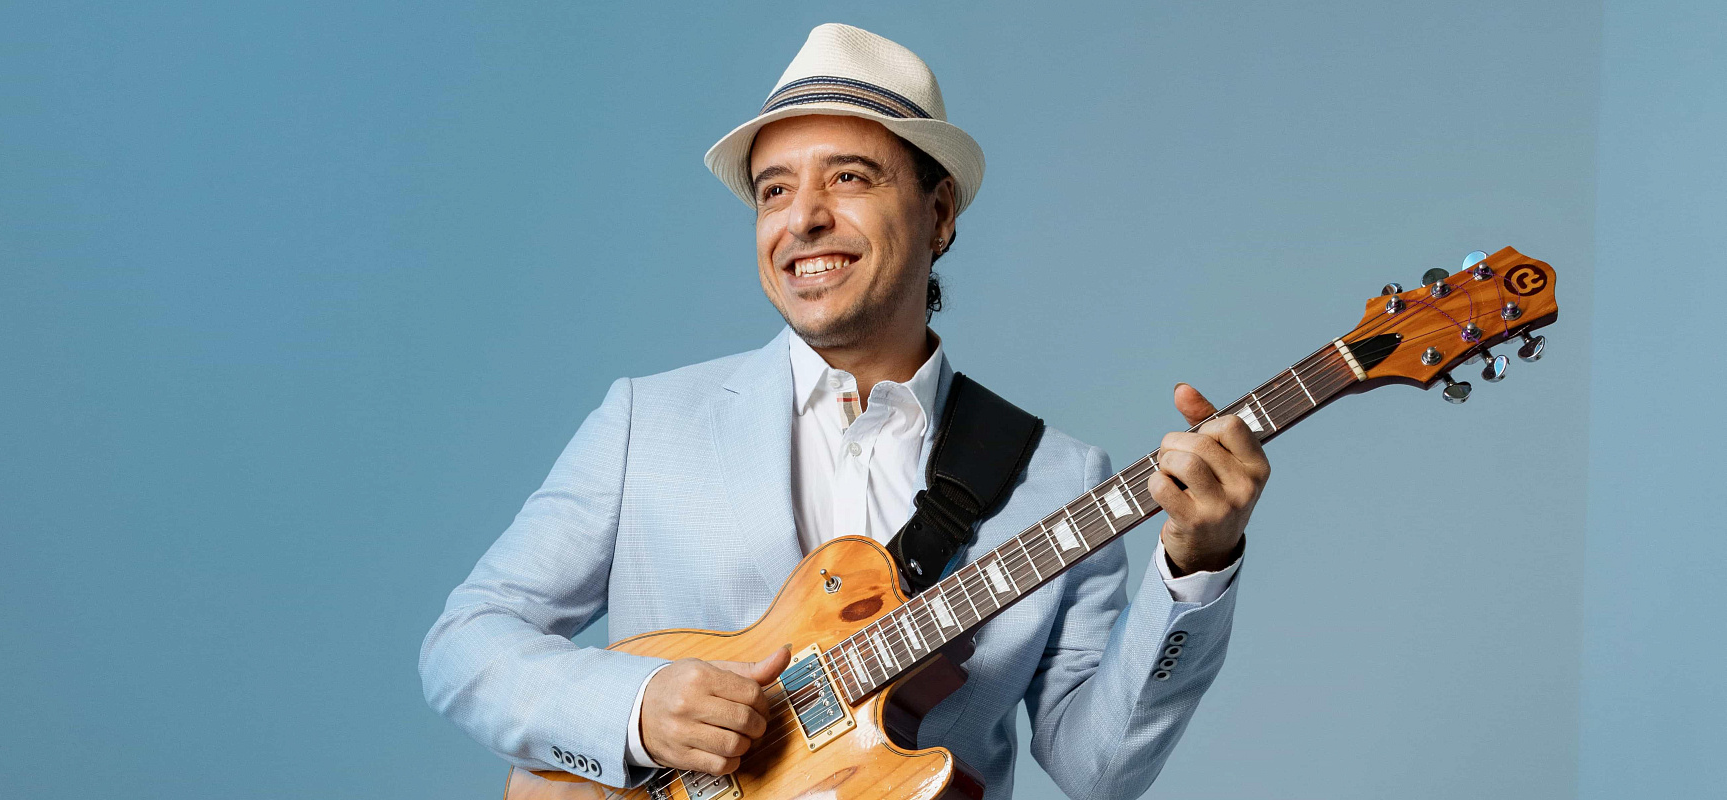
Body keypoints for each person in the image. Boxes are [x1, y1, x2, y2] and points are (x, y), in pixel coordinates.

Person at [420, 23, 1267, 800]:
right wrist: (636, 707)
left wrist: (1198, 565)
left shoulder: (1060, 479)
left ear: (938, 213)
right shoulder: (647, 423)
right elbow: (464, 642)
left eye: (849, 178)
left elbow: (1099, 771)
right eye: (773, 190)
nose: (803, 218)